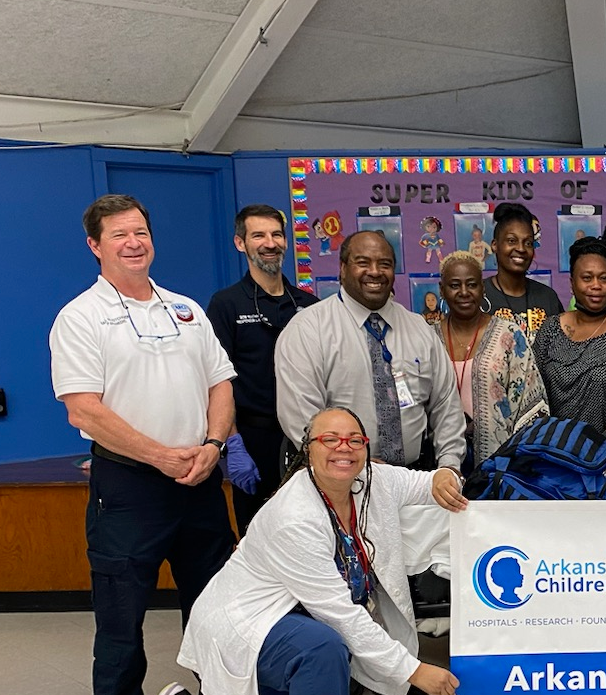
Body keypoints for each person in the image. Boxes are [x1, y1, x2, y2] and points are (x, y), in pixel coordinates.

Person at [48, 194, 237, 695]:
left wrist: (214, 445)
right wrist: (158, 455)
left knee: (216, 605)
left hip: (199, 480)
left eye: (141, 233)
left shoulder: (186, 309)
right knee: (121, 620)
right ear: (95, 245)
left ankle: (220, 688)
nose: (134, 244)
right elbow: (83, 409)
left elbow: (220, 382)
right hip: (129, 488)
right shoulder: (80, 317)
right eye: (119, 235)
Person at [176, 406, 467, 695]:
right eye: (330, 439)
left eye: (355, 440)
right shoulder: (294, 518)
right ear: (309, 449)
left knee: (340, 660)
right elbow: (339, 615)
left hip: (303, 614)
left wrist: (447, 477)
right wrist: (414, 671)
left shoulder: (374, 480)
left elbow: (429, 483)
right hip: (249, 621)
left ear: (365, 449)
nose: (344, 448)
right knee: (323, 650)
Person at [275, 230, 466, 473]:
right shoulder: (307, 331)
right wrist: (354, 464)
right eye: (363, 262)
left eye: (384, 264)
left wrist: (449, 467)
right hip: (337, 478)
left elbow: (446, 406)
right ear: (343, 268)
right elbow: (302, 418)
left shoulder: (420, 329)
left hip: (414, 478)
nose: (375, 272)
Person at [208, 204, 322, 533]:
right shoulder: (226, 304)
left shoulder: (308, 305)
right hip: (253, 439)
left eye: (276, 235)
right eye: (258, 235)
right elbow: (217, 381)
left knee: (309, 530)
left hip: (305, 435)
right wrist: (234, 445)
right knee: (259, 535)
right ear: (240, 243)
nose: (269, 243)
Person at [437, 250, 548, 468]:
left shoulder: (509, 335)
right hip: (438, 464)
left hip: (499, 465)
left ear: (483, 287)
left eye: (471, 284)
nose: (464, 292)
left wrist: (517, 463)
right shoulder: (428, 338)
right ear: (442, 290)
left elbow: (531, 404)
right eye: (454, 285)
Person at [533, 237, 606, 432]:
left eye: (604, 278)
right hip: (553, 448)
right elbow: (534, 390)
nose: (596, 285)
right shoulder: (550, 328)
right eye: (587, 278)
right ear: (572, 283)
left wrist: (601, 444)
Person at [482, 203, 562, 339]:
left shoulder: (547, 298)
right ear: (494, 245)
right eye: (512, 240)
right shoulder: (478, 296)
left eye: (528, 243)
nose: (521, 248)